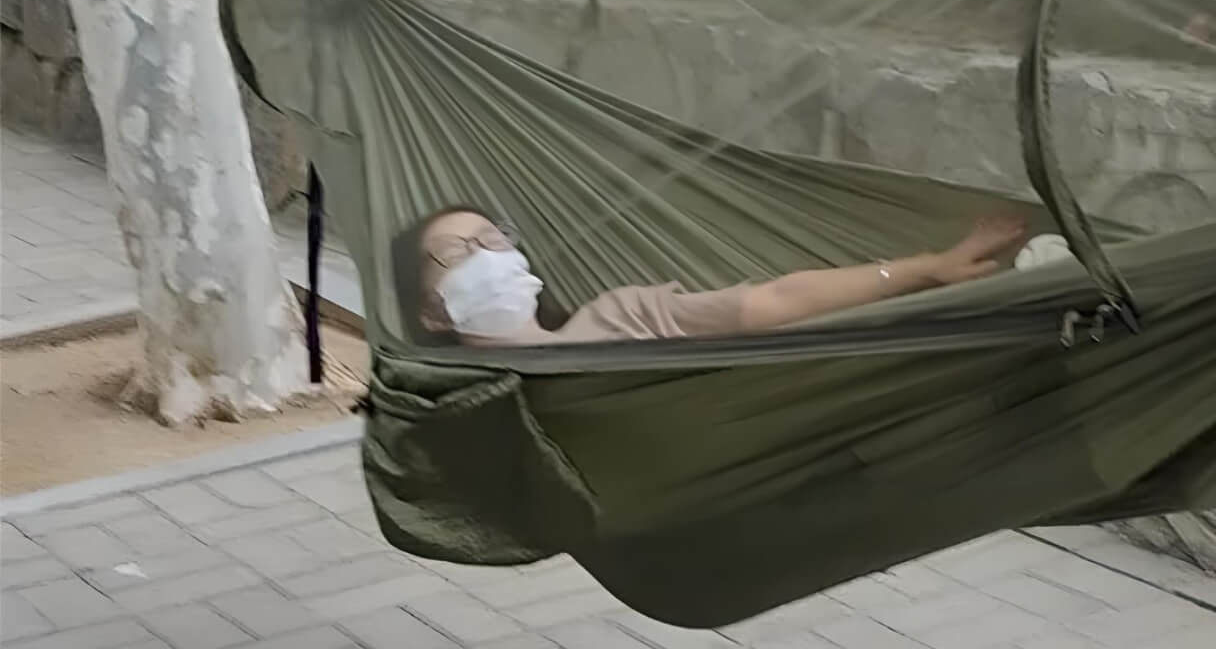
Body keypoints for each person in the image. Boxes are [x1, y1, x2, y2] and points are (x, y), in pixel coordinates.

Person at [393, 208, 1027, 347]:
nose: (487, 256)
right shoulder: (448, 402)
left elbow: (778, 299)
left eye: (494, 239)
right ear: (429, 312)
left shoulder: (620, 316)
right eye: (456, 253)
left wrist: (927, 268)